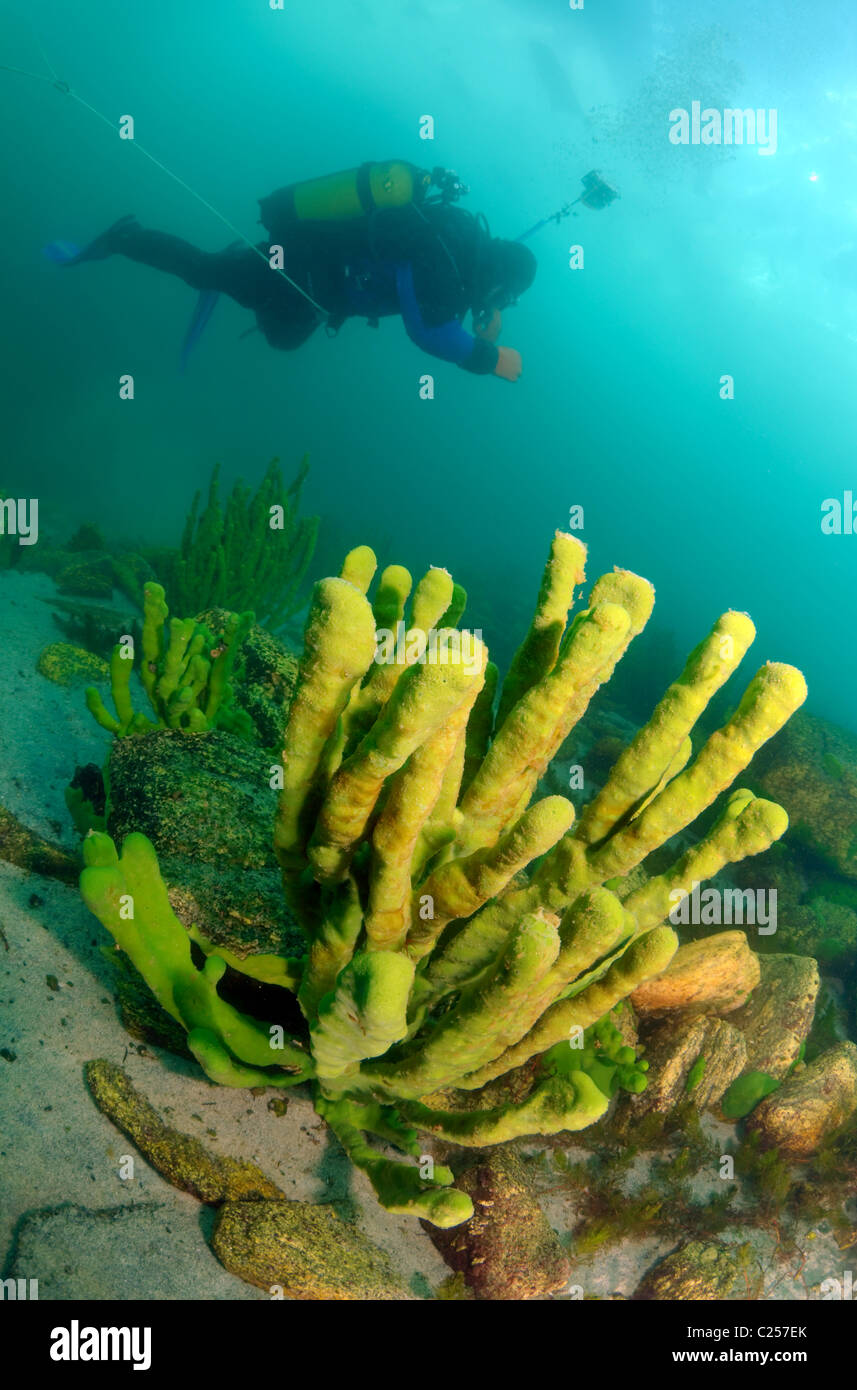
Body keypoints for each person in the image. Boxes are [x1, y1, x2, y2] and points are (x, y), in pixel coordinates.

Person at [64, 194, 536, 381]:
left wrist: (482, 318)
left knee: (284, 340)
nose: (499, 305)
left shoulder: (457, 248)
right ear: (497, 278)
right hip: (295, 270)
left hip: (316, 291)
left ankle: (235, 269)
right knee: (204, 272)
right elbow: (428, 332)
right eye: (503, 297)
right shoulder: (441, 259)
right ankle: (125, 236)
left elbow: (443, 304)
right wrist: (492, 359)